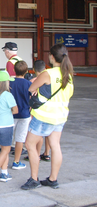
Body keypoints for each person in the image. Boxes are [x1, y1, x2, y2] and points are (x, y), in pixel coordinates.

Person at [21, 44, 74, 190]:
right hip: (60, 116)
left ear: (51, 57)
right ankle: (53, 179)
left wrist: (37, 87)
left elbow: (31, 88)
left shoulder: (47, 74)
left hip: (44, 116)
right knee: (55, 146)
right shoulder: (68, 75)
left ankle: (34, 178)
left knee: (30, 145)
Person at [26, 60, 51, 162]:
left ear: (34, 70)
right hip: (51, 110)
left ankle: (36, 154)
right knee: (49, 134)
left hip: (38, 111)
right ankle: (46, 154)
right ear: (45, 68)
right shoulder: (51, 79)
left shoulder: (34, 82)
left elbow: (30, 92)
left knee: (38, 134)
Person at [9, 60, 31, 170]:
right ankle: (16, 162)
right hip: (24, 114)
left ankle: (4, 159)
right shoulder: (28, 84)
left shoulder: (9, 82)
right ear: (26, 71)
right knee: (20, 139)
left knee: (8, 138)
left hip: (11, 114)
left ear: (14, 70)